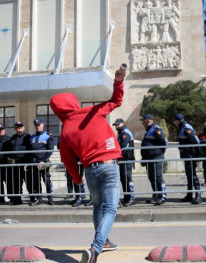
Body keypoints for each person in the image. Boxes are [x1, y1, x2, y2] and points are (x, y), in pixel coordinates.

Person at [50, 67, 126, 263]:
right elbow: (116, 101)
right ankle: (96, 248)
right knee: (110, 208)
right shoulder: (90, 111)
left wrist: (76, 178)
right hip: (108, 166)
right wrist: (117, 82)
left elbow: (67, 159)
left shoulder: (65, 130)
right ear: (73, 102)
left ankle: (105, 241)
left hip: (89, 170)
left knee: (98, 207)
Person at [173, 114, 202, 204]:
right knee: (189, 175)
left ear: (178, 121)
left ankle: (198, 195)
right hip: (187, 155)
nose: (175, 123)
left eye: (175, 121)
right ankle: (189, 195)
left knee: (193, 175)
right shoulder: (183, 128)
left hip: (190, 155)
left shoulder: (186, 128)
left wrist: (197, 154)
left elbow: (194, 141)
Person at [140, 113, 168, 206]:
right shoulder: (149, 130)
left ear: (147, 121)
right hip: (149, 158)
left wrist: (160, 153)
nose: (142, 123)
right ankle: (156, 195)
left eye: (143, 121)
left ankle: (162, 196)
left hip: (156, 157)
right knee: (152, 177)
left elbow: (163, 142)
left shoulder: (156, 129)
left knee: (158, 177)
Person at [27, 119, 55, 206]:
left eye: (39, 125)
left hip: (44, 162)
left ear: (43, 125)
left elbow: (50, 150)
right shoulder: (32, 137)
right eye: (35, 125)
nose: (37, 126)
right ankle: (39, 199)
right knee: (36, 181)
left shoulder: (48, 136)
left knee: (47, 180)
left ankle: (50, 199)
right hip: (34, 162)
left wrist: (43, 160)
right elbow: (29, 151)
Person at [58, 137, 87, 207]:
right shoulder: (64, 137)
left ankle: (79, 197)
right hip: (71, 161)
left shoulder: (77, 135)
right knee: (73, 179)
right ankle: (77, 196)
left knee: (78, 179)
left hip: (78, 161)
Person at [113, 118, 136, 206]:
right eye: (116, 125)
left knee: (127, 178)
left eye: (118, 125)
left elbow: (124, 148)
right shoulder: (120, 133)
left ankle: (131, 197)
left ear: (123, 123)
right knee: (123, 179)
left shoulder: (125, 133)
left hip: (127, 159)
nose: (116, 126)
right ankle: (127, 197)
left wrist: (117, 157)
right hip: (123, 160)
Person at [6, 121, 30, 205]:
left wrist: (27, 163)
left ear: (24, 127)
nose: (19, 127)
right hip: (16, 163)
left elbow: (30, 151)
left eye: (21, 126)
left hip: (25, 163)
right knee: (16, 182)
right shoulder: (13, 138)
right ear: (15, 128)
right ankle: (17, 199)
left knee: (29, 182)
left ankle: (33, 198)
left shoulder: (27, 137)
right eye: (17, 126)